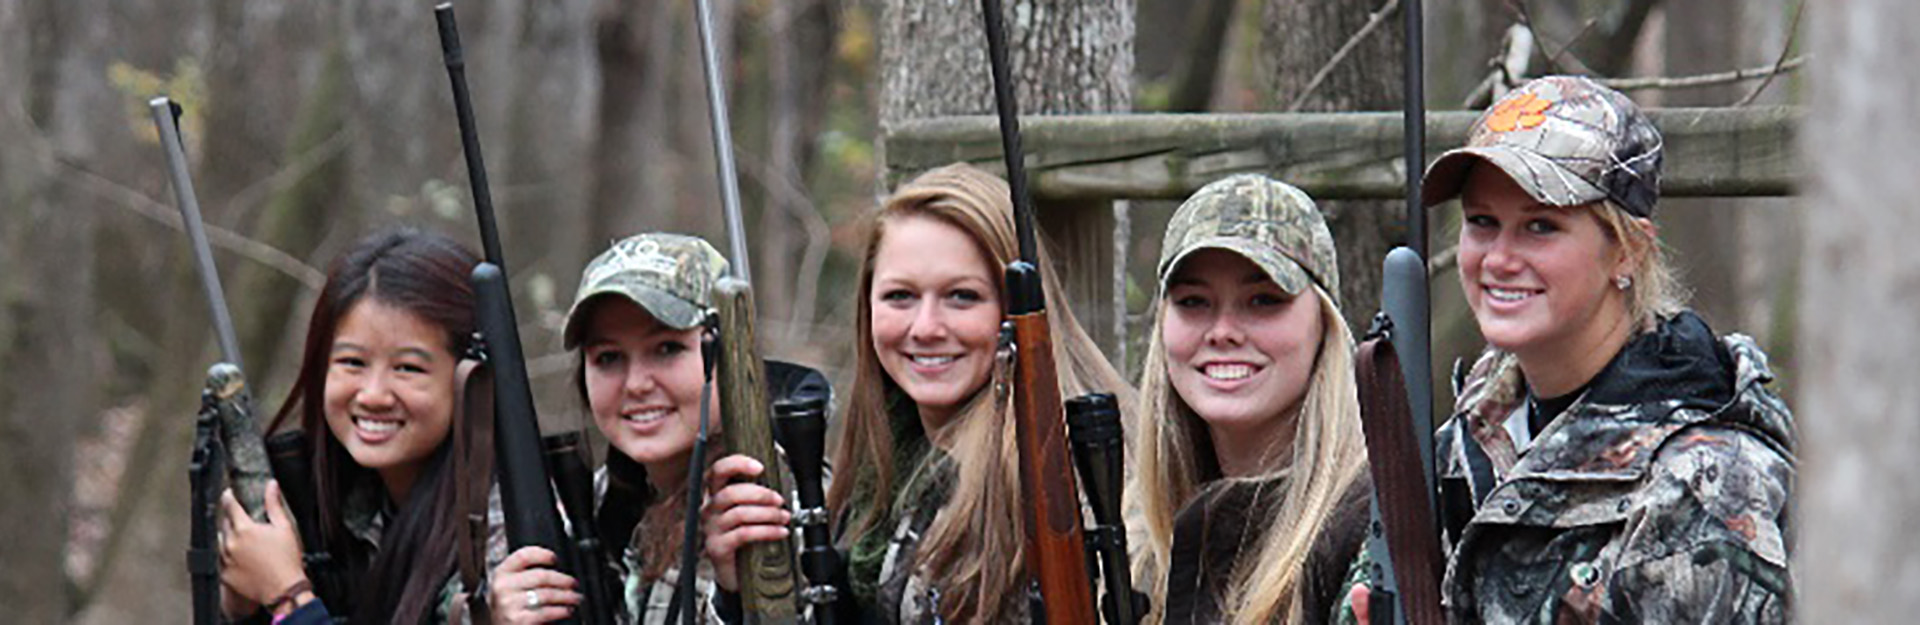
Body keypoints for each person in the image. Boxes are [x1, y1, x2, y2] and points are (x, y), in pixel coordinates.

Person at [1354, 75, 1794, 623]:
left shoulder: (1701, 484)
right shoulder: (1466, 440)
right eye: (1482, 223)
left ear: (1628, 252)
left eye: (1540, 226)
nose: (1499, 258)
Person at [705, 163, 1131, 623]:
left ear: (1017, 314)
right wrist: (742, 592)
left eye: (962, 296)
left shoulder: (1073, 489)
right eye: (900, 296)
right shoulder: (875, 481)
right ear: (867, 307)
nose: (926, 328)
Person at [488, 232, 829, 624]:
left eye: (667, 348)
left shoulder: (784, 500)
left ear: (730, 356)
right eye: (609, 357)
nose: (636, 383)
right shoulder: (600, 503)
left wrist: (737, 601)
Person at [1124, 174, 1372, 625]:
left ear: (1324, 325)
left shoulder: (1369, 526)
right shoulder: (1134, 540)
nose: (1223, 332)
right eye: (1194, 302)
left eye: (1263, 300)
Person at [219, 228, 488, 623]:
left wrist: (287, 595)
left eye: (408, 368)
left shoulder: (505, 530)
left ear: (471, 380)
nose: (373, 394)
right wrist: (240, 608)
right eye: (352, 363)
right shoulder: (326, 503)